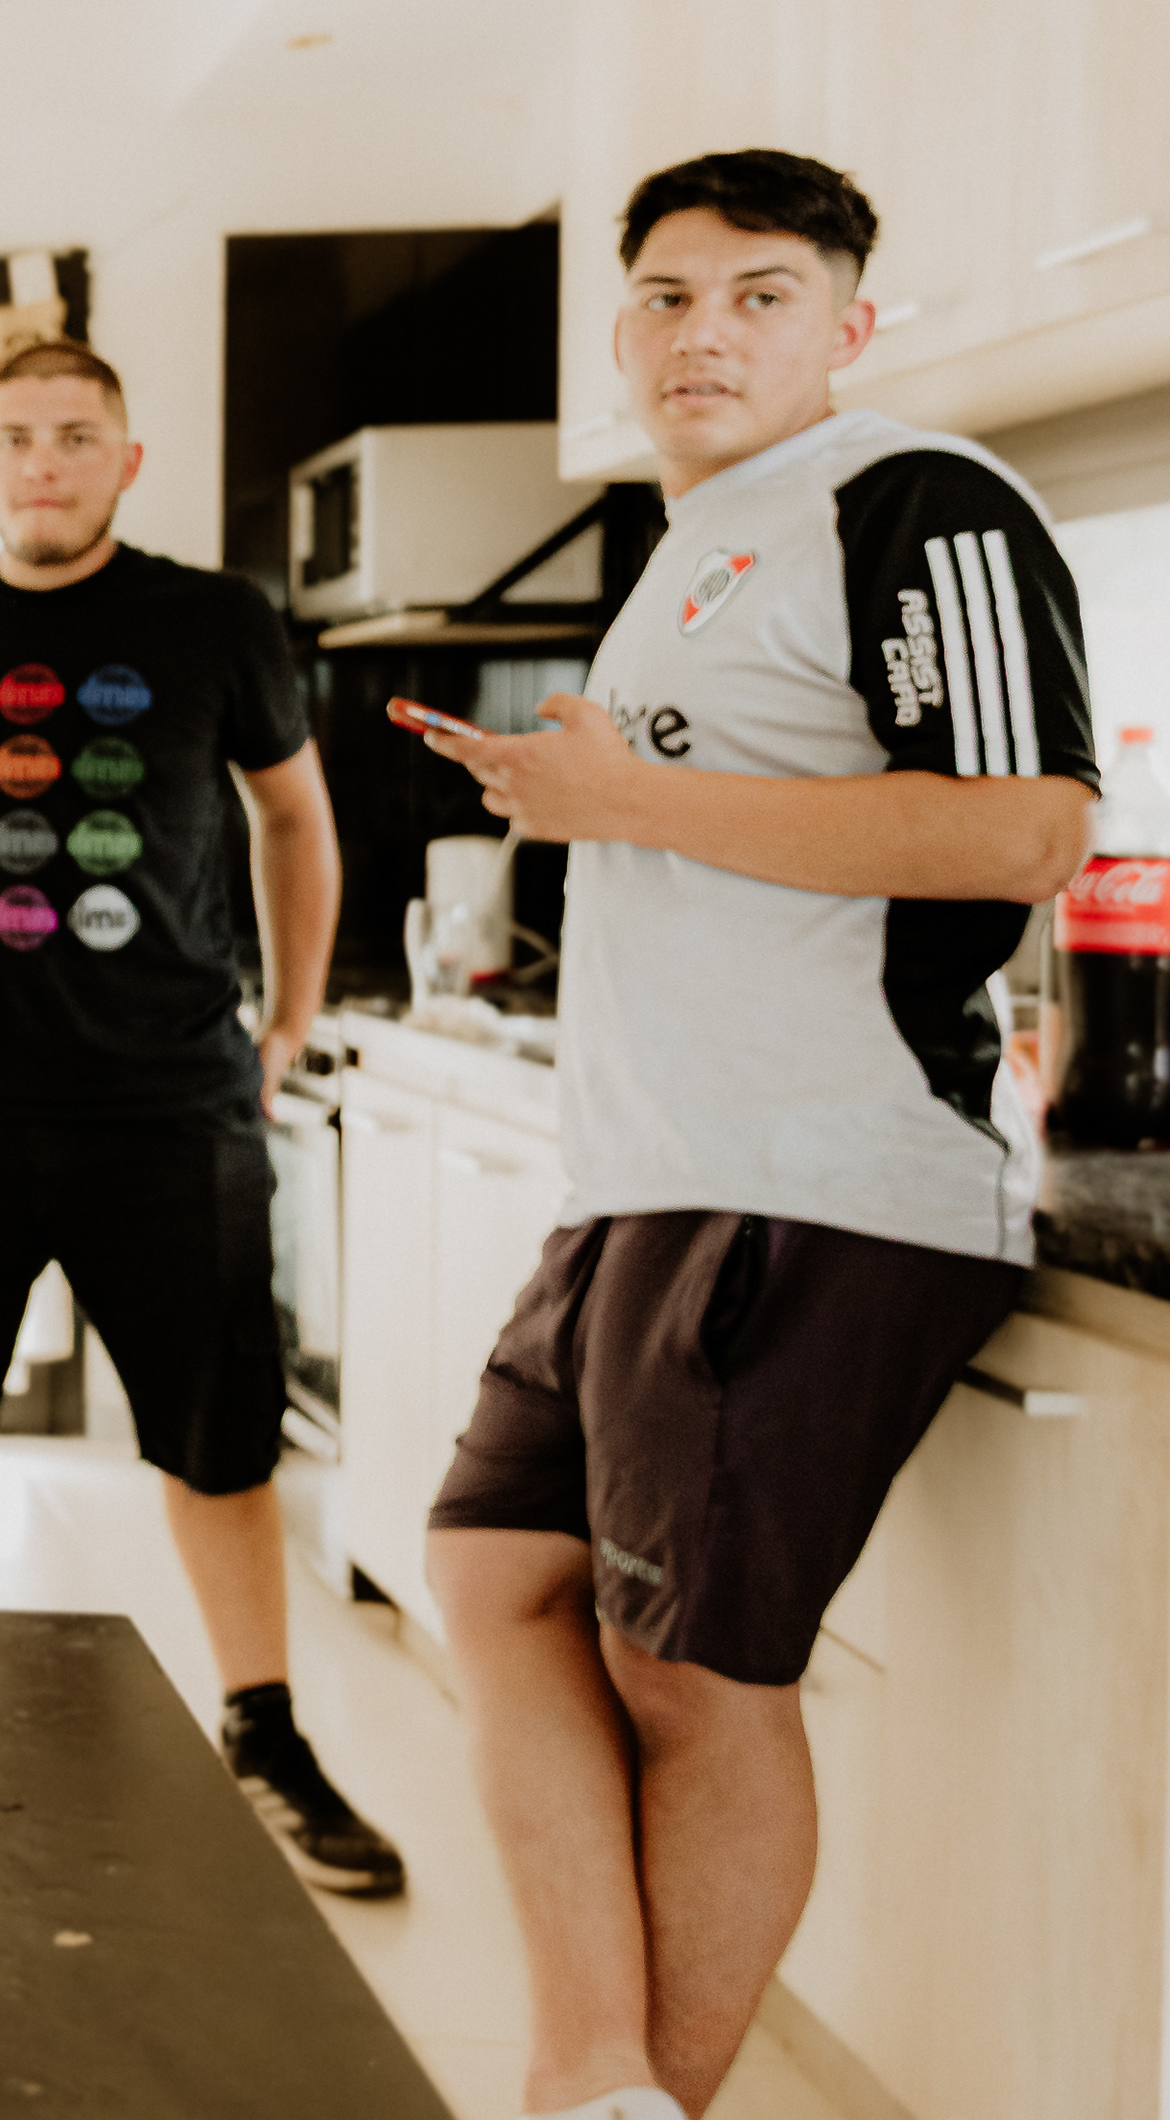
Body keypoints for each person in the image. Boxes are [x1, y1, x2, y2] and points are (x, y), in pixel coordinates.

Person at [413, 153, 1093, 2120]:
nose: (703, 332)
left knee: (695, 1672)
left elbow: (1022, 826)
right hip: (651, 1171)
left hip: (815, 1172)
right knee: (491, 1572)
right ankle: (595, 2075)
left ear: (849, 327)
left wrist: (621, 805)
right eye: (668, 296)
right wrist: (579, 795)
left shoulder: (915, 498)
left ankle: (621, 2103)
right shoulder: (704, 536)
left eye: (763, 295)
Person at [0, 337, 398, 1894]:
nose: (45, 463)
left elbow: (295, 817)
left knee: (217, 1439)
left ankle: (266, 1736)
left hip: (168, 1105)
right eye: (17, 437)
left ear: (127, 461)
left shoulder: (215, 620)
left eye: (77, 436)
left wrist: (289, 1020)